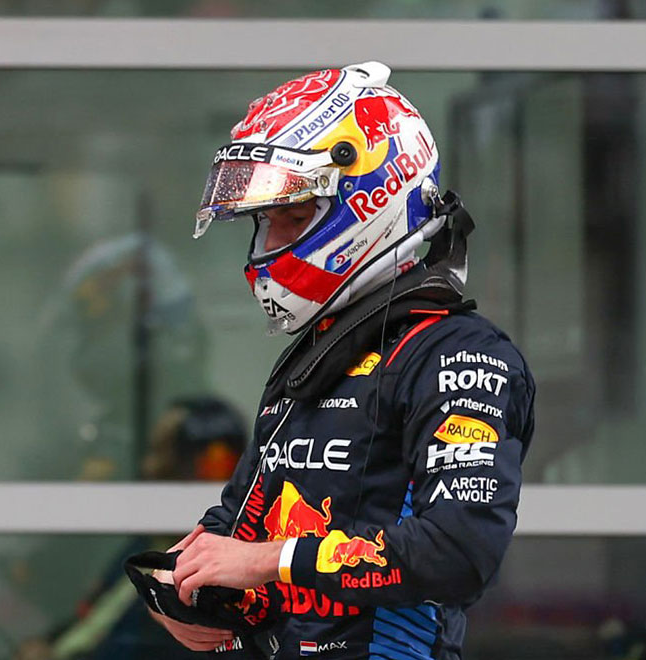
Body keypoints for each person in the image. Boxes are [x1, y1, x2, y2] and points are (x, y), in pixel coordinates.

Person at [143, 62, 537, 659]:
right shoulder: (317, 354)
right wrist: (176, 591)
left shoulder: (459, 354)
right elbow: (236, 526)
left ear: (372, 202)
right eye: (266, 222)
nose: (273, 244)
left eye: (295, 218)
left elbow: (458, 552)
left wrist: (273, 560)